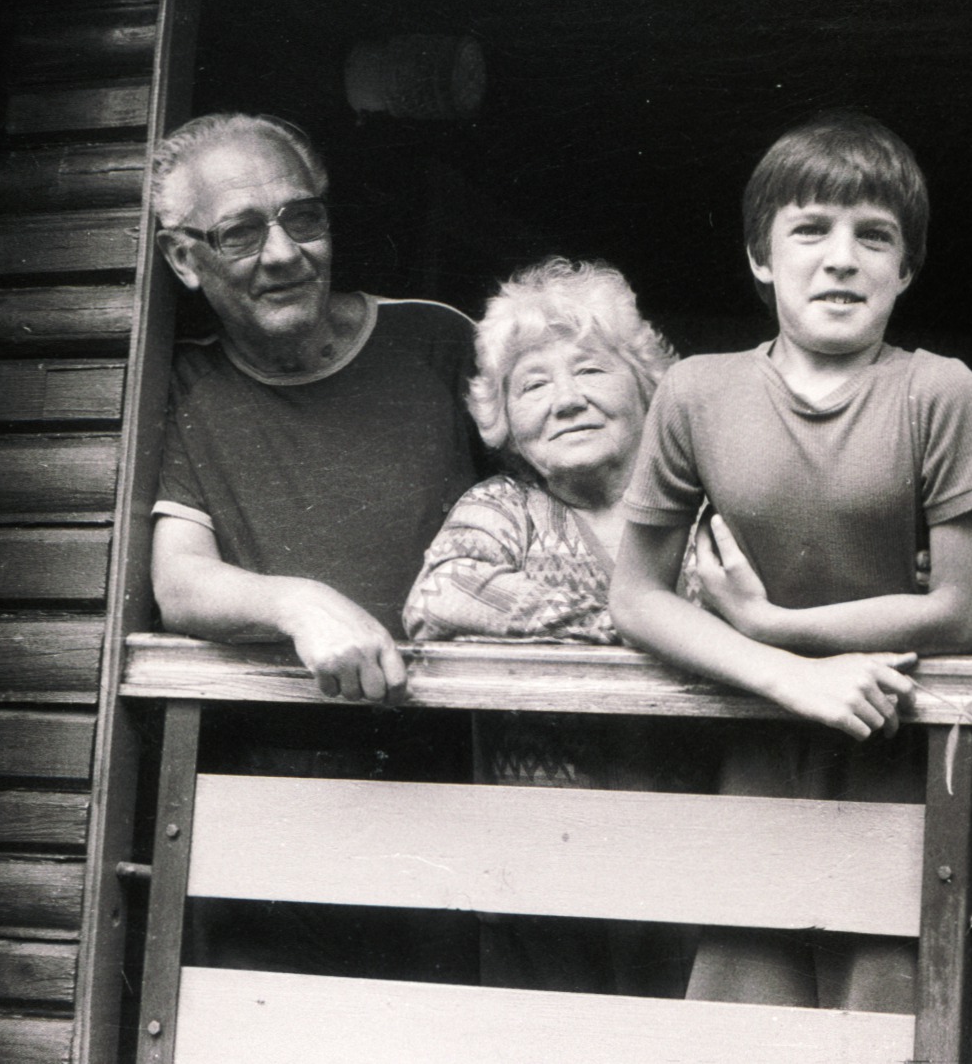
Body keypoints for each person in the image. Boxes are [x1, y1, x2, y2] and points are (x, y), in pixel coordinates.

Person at [609, 110, 972, 1013]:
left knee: (888, 1007)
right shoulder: (696, 392)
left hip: (897, 746)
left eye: (875, 237)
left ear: (904, 269)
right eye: (811, 230)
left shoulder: (938, 391)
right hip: (757, 744)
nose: (842, 258)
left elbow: (967, 606)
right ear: (762, 256)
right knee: (743, 1012)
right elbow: (634, 597)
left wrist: (777, 625)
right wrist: (782, 673)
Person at [148, 112, 477, 979]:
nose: (285, 252)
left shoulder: (437, 342)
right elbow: (178, 582)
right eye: (241, 232)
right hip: (264, 791)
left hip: (457, 776)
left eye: (304, 218)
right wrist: (297, 600)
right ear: (185, 260)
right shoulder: (185, 384)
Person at [404, 255, 702, 996]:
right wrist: (648, 621)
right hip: (540, 874)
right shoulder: (504, 507)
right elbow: (441, 594)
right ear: (502, 419)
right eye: (533, 384)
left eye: (592, 372)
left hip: (698, 865)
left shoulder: (709, 512)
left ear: (646, 385)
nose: (565, 400)